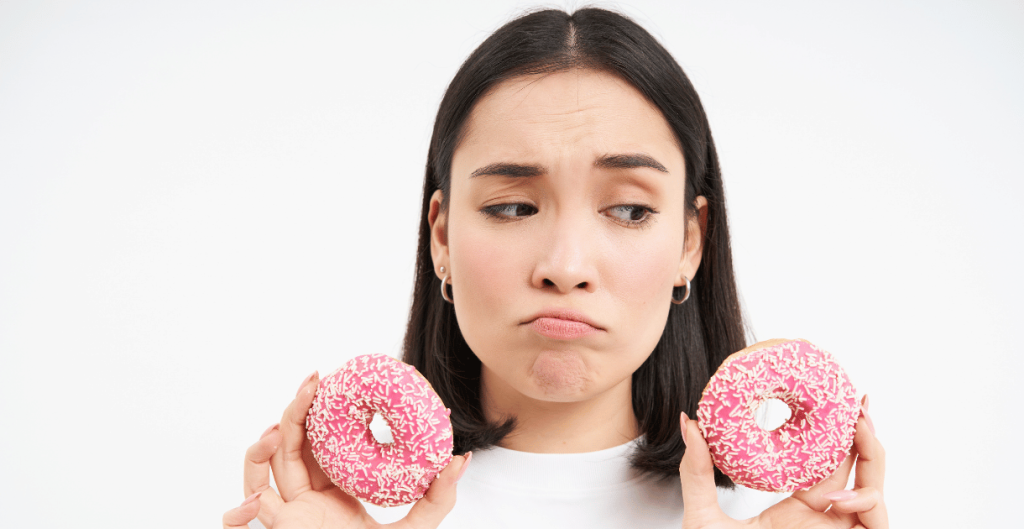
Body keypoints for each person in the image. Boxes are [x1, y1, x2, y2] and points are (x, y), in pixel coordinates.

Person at [223, 7, 887, 529]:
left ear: (692, 242)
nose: (565, 267)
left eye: (628, 210)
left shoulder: (778, 519)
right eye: (513, 207)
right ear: (442, 237)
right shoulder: (330, 517)